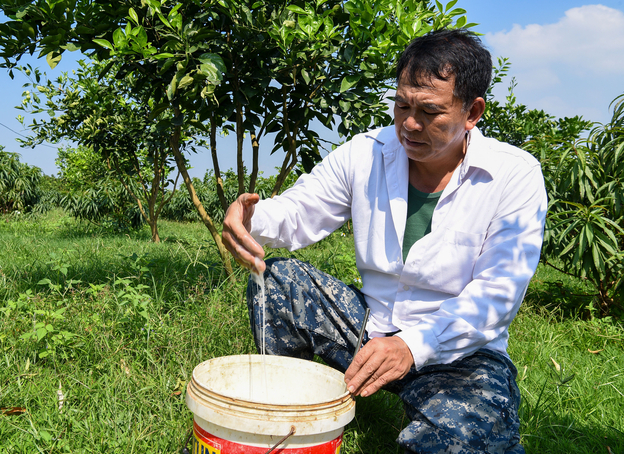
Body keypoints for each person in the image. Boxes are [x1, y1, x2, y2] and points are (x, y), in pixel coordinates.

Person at [222, 28, 546, 454]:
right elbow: (301, 211)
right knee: (282, 281)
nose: (409, 124)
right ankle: (293, 408)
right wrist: (251, 217)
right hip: (369, 327)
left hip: (460, 354)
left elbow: (496, 296)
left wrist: (411, 346)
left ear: (472, 112)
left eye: (430, 112)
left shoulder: (513, 176)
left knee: (468, 438)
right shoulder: (366, 153)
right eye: (401, 105)